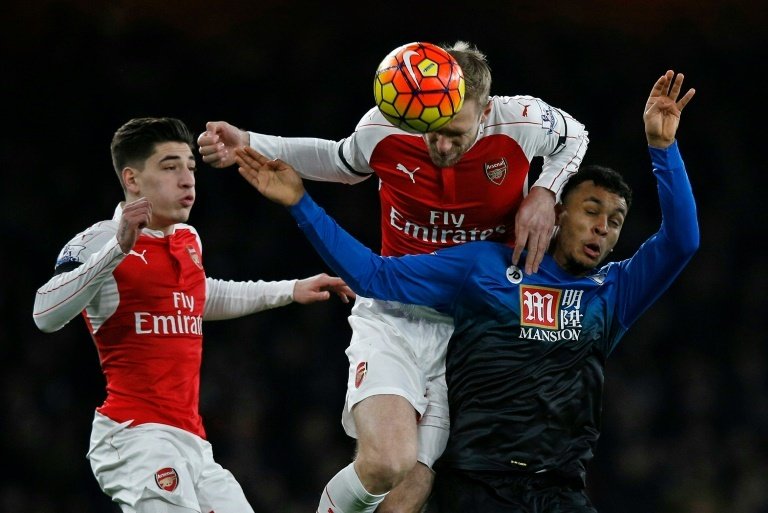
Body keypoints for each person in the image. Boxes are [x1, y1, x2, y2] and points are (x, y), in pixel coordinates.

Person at [233, 69, 698, 512]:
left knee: (404, 493)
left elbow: (682, 241)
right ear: (555, 212)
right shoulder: (488, 267)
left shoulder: (610, 293)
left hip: (563, 488)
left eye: (614, 222)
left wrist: (663, 147)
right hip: (480, 486)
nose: (602, 227)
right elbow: (377, 276)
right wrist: (301, 203)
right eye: (591, 210)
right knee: (392, 477)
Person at [198, 41, 589, 513]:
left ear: (485, 111)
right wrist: (248, 140)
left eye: (455, 134)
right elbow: (341, 161)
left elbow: (576, 136)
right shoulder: (388, 124)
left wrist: (546, 190)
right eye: (431, 132)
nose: (441, 145)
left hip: (472, 332)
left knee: (412, 490)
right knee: (388, 462)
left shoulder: (522, 121)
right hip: (394, 310)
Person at [32, 117, 354, 513]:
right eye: (170, 167)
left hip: (192, 441)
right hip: (135, 437)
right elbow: (44, 313)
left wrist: (289, 289)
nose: (187, 180)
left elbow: (196, 297)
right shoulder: (99, 239)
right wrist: (117, 248)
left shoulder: (188, 239)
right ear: (132, 180)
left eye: (190, 167)